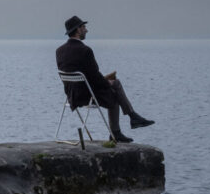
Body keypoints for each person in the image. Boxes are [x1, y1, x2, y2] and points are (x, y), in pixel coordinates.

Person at [55, 15, 154, 143]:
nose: (86, 30)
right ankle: (126, 122)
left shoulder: (59, 51)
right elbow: (95, 77)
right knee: (115, 88)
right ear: (78, 30)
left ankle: (130, 120)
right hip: (87, 95)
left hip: (72, 95)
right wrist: (108, 81)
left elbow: (87, 76)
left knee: (113, 87)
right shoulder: (85, 50)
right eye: (84, 27)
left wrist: (105, 81)